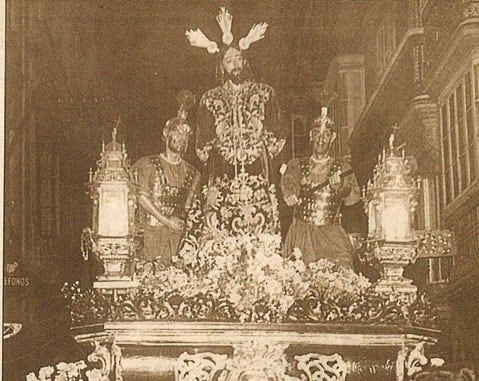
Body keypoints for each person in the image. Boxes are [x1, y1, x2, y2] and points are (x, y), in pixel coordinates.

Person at [185, 8, 284, 239]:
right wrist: (221, 150)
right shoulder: (210, 98)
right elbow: (202, 145)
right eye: (229, 60)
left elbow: (276, 135)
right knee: (220, 224)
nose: (235, 64)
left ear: (245, 60)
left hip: (257, 169)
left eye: (238, 58)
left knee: (261, 223)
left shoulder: (265, 93)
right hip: (223, 171)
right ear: (222, 67)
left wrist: (260, 147)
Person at [282, 108, 361, 268]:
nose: (321, 139)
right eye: (317, 133)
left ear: (332, 138)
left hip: (331, 233)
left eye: (325, 135)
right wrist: (291, 194)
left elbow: (352, 198)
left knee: (343, 273)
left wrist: (339, 187)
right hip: (302, 233)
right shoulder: (297, 165)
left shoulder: (342, 167)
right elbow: (290, 183)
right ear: (311, 136)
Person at [133, 102, 200, 263]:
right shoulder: (147, 164)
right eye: (177, 132)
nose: (182, 138)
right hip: (150, 236)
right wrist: (166, 221)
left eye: (186, 136)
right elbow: (141, 197)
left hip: (176, 240)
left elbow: (191, 208)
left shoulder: (193, 173)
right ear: (166, 133)